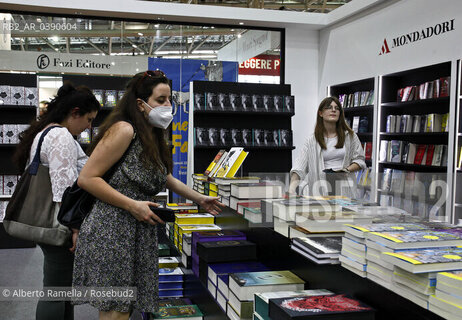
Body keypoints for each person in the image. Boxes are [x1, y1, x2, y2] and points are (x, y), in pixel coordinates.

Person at [72, 70, 224, 320]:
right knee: (115, 309)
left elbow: (163, 176)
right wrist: (132, 205)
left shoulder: (152, 133)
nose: (167, 106)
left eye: (169, 100)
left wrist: (198, 198)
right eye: (160, 100)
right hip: (112, 228)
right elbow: (87, 178)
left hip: (136, 229)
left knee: (126, 306)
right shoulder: (123, 130)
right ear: (141, 104)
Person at [13, 82, 100, 320]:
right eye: (89, 119)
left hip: (49, 221)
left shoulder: (45, 132)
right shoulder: (61, 136)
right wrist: (74, 228)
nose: (88, 126)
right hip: (59, 224)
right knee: (57, 289)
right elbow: (64, 189)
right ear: (75, 113)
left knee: (58, 287)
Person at [289, 96, 366, 197]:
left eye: (337, 108)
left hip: (344, 187)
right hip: (319, 188)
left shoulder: (350, 136)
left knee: (344, 212)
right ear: (320, 113)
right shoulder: (312, 140)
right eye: (329, 107)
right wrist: (291, 190)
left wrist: (346, 170)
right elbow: (299, 167)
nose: (333, 110)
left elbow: (359, 160)